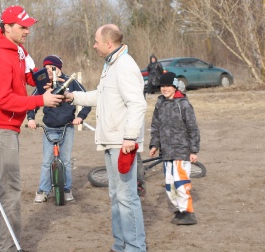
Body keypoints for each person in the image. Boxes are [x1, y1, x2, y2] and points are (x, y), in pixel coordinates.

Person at [0, 6, 63, 252]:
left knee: (4, 186)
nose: (27, 31)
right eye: (22, 27)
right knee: (11, 189)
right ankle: (8, 247)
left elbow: (28, 75)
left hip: (6, 127)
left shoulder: (17, 50)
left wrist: (44, 76)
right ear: (7, 27)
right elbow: (5, 100)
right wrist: (40, 100)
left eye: (28, 26)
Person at [64, 24, 147, 252]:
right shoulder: (111, 65)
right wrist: (72, 97)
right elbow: (101, 95)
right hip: (112, 141)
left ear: (108, 44)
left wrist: (129, 138)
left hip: (122, 143)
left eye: (96, 41)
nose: (94, 45)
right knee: (116, 196)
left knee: (127, 197)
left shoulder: (125, 66)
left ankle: (135, 247)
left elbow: (137, 104)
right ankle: (120, 245)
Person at [26, 55, 91, 203]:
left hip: (67, 127)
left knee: (66, 161)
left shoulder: (70, 82)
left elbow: (87, 100)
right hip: (49, 127)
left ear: (58, 67)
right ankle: (43, 191)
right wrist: (31, 118)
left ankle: (66, 189)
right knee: (47, 161)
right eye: (46, 68)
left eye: (51, 67)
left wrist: (80, 117)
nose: (49, 70)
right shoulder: (44, 84)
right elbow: (33, 102)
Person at [149, 71, 201, 225]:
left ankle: (188, 212)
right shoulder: (159, 104)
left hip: (182, 151)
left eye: (168, 86)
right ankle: (180, 209)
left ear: (175, 87)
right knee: (170, 185)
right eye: (162, 86)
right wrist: (154, 144)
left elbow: (193, 128)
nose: (164, 89)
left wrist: (193, 150)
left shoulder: (183, 104)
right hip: (166, 153)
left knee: (181, 182)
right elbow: (155, 126)